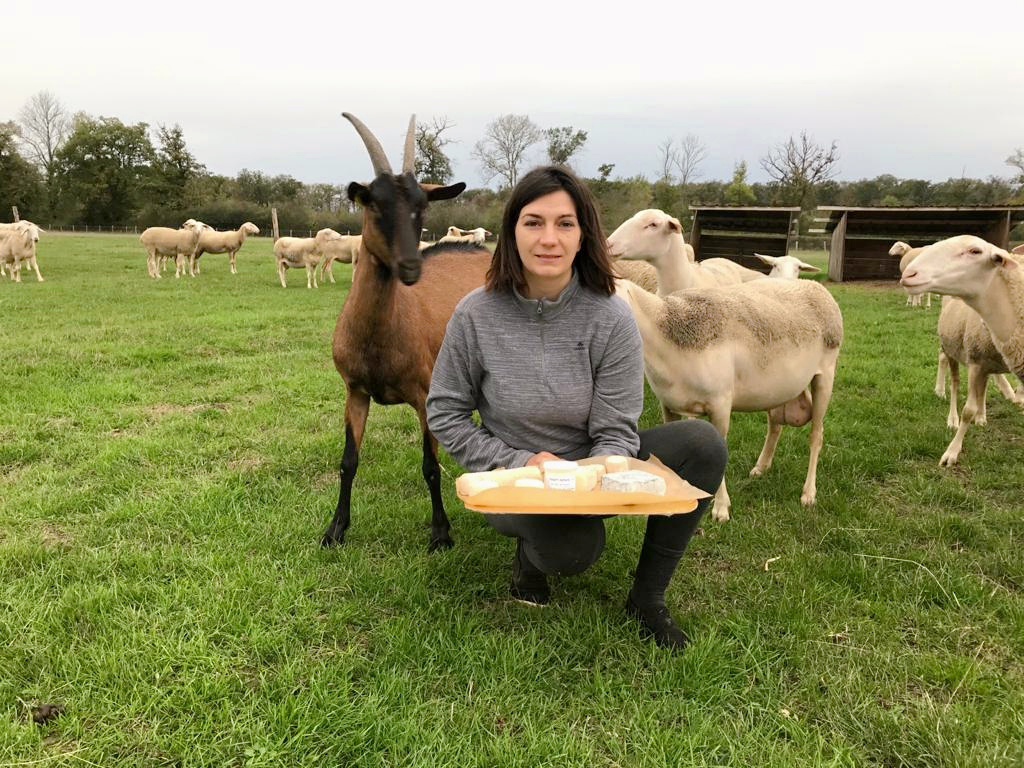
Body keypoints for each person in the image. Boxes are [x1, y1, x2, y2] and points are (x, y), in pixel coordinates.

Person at [425, 166, 727, 651]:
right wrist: (524, 463)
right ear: (511, 231)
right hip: (514, 478)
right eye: (533, 222)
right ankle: (531, 557)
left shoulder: (611, 316)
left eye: (565, 223)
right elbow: (445, 413)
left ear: (584, 233)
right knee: (572, 552)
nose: (549, 238)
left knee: (701, 443)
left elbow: (616, 428)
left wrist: (592, 475)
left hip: (590, 469)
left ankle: (647, 599)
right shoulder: (475, 314)